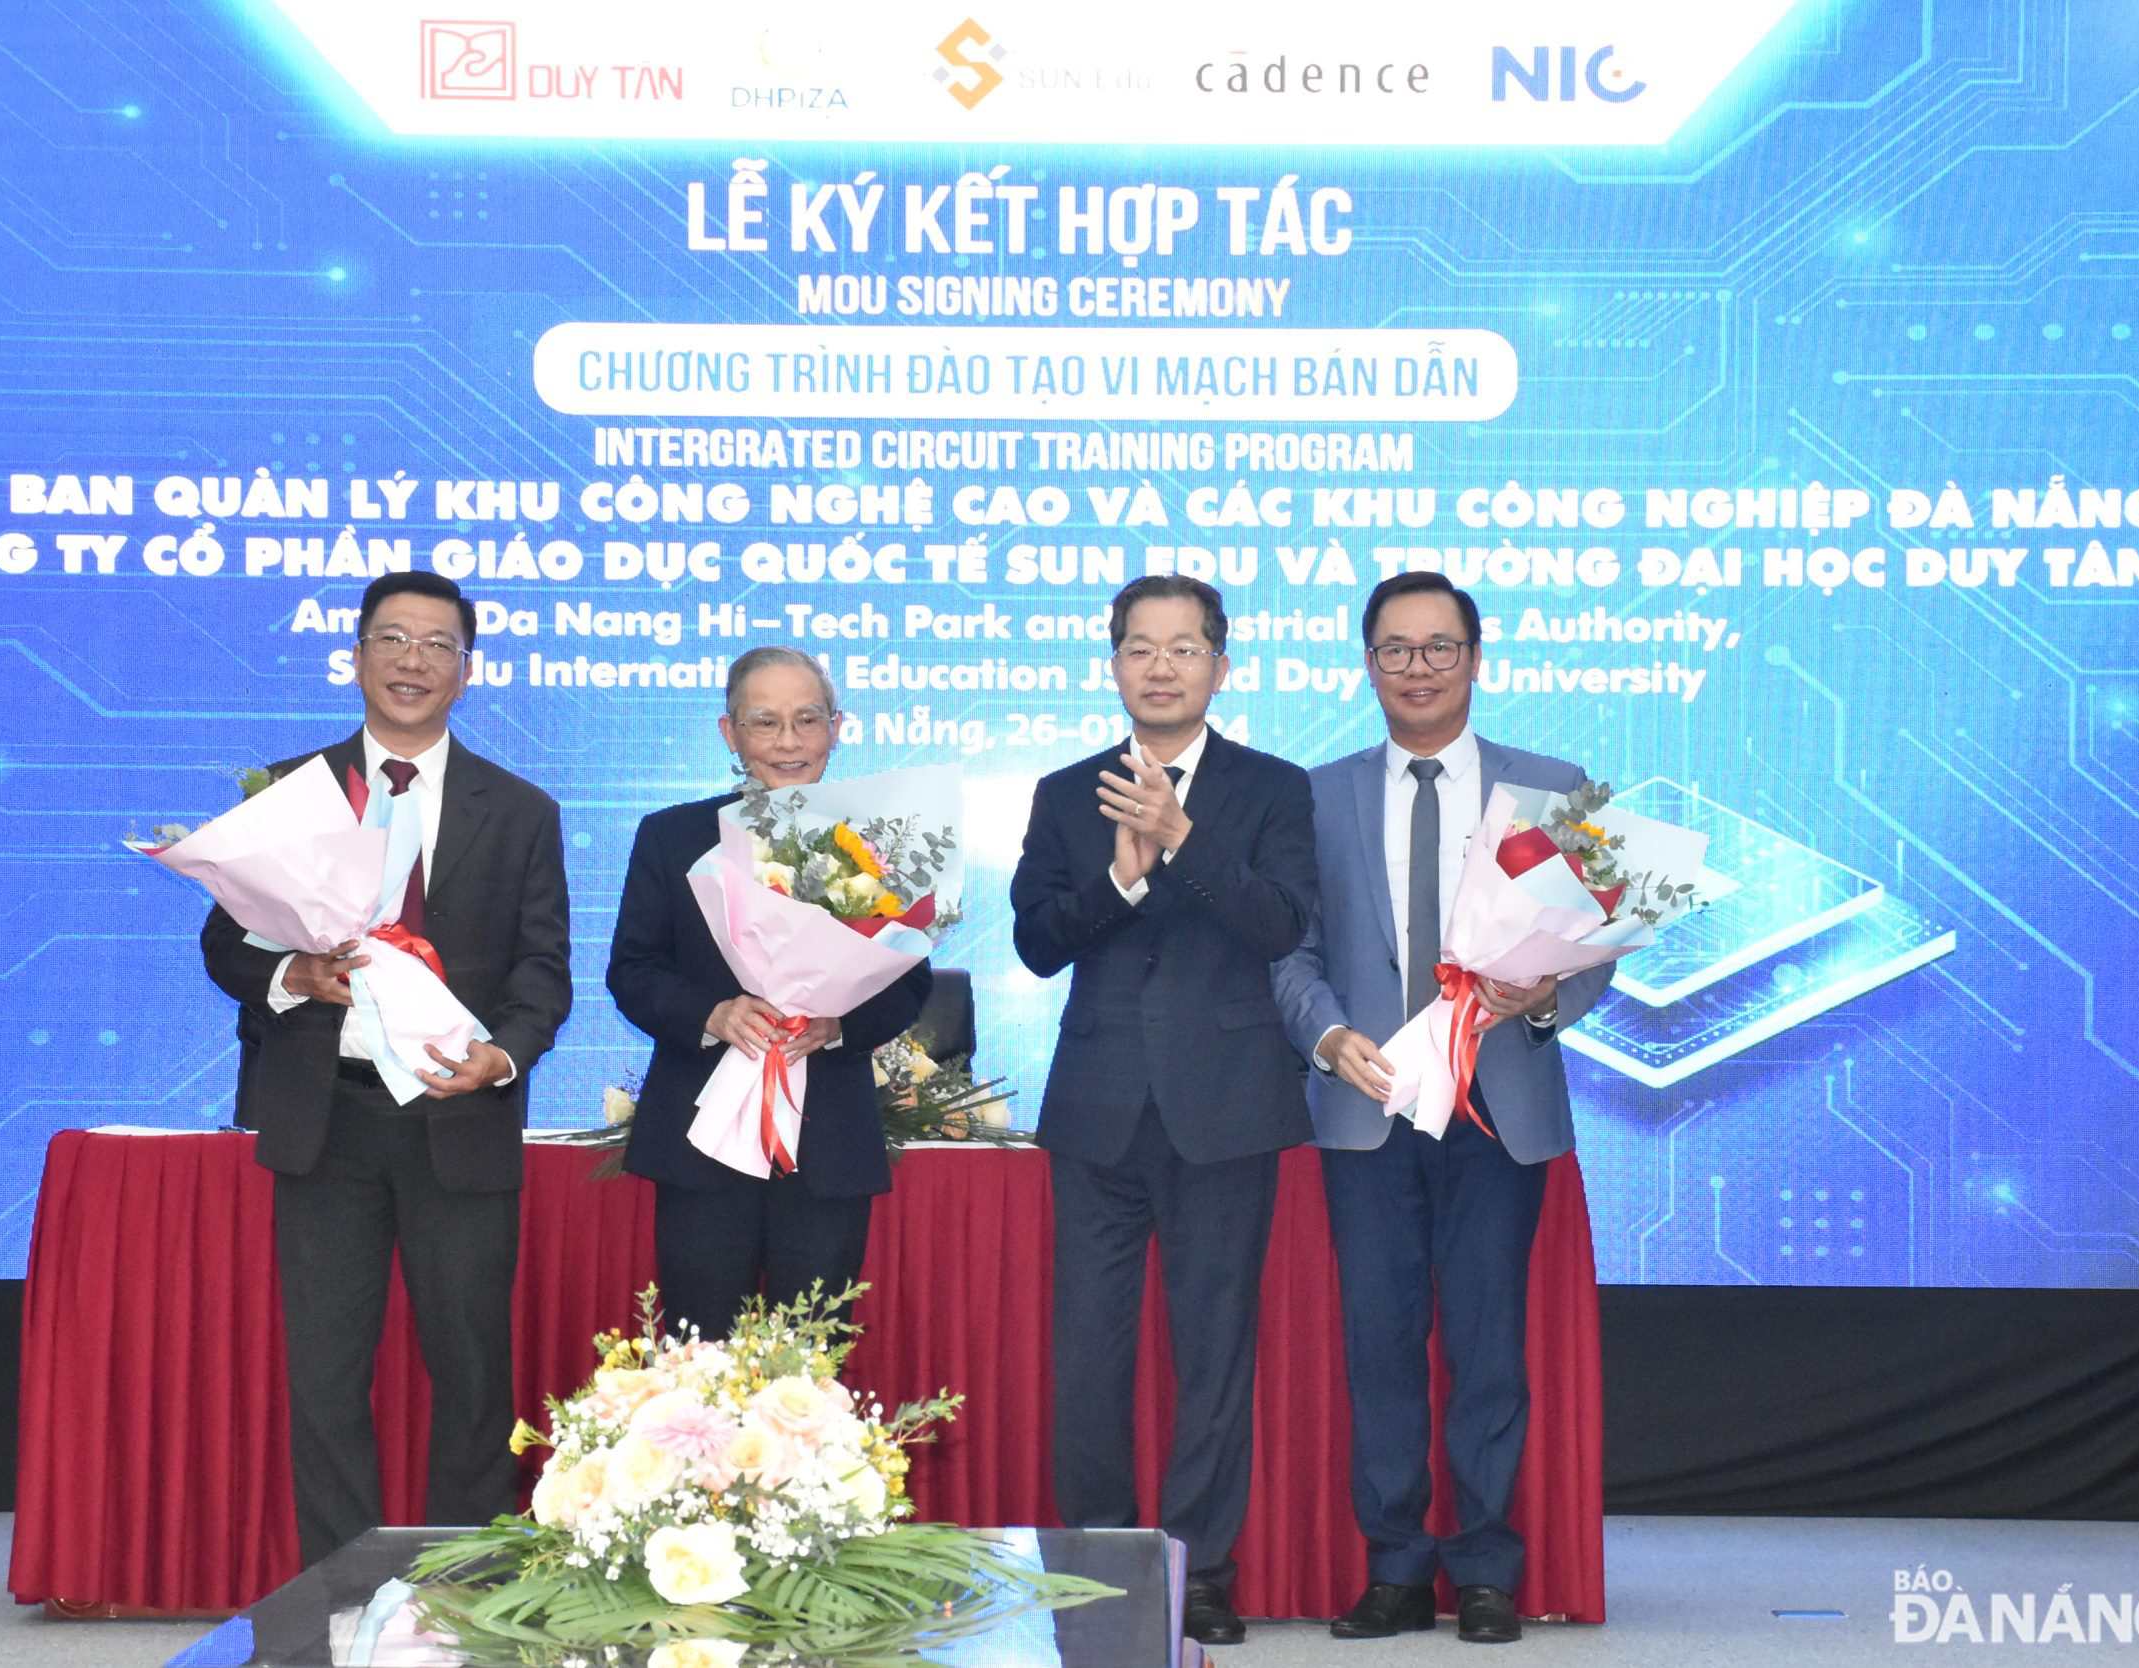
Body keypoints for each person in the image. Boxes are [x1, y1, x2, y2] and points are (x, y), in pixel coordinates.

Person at [200, 570, 572, 1567]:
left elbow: (543, 970)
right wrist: (293, 973)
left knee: (472, 1374)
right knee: (324, 1376)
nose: (414, 660)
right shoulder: (292, 791)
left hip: (459, 1121)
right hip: (328, 1119)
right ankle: (342, 1590)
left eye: (437, 645)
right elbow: (226, 947)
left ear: (466, 671)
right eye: (394, 639)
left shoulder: (522, 809)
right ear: (357, 656)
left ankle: (468, 1584)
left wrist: (504, 1055)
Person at [1270, 571, 1613, 1645]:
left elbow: (1598, 944)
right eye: (1395, 650)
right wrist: (1325, 1034)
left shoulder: (1556, 785)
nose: (1417, 668)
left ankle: (1486, 1570)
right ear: (1367, 663)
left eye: (1438, 647)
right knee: (1380, 1344)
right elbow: (1292, 951)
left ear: (1476, 656)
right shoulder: (1312, 795)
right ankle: (1396, 1564)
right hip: (1367, 1109)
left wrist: (1548, 992)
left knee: (1488, 1346)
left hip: (1496, 1108)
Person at [1008, 575, 1316, 1649]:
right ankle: (1094, 1561)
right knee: (1089, 1351)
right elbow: (1038, 942)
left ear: (1220, 667)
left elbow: (1282, 924)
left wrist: (1182, 840)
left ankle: (1204, 1566)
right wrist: (1123, 882)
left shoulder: (1274, 790)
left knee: (1214, 1347)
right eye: (1140, 648)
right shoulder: (1064, 793)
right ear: (1114, 664)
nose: (1161, 667)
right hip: (1096, 1109)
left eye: (1184, 649)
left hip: (1227, 1109)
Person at [606, 646, 932, 1341]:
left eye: (807, 720)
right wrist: (712, 1014)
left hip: (827, 1148)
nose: (788, 741)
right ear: (731, 734)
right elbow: (633, 970)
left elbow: (910, 983)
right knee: (696, 1362)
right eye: (765, 722)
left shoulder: (881, 845)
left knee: (812, 1366)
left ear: (837, 728)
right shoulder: (672, 837)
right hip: (702, 1143)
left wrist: (837, 1024)